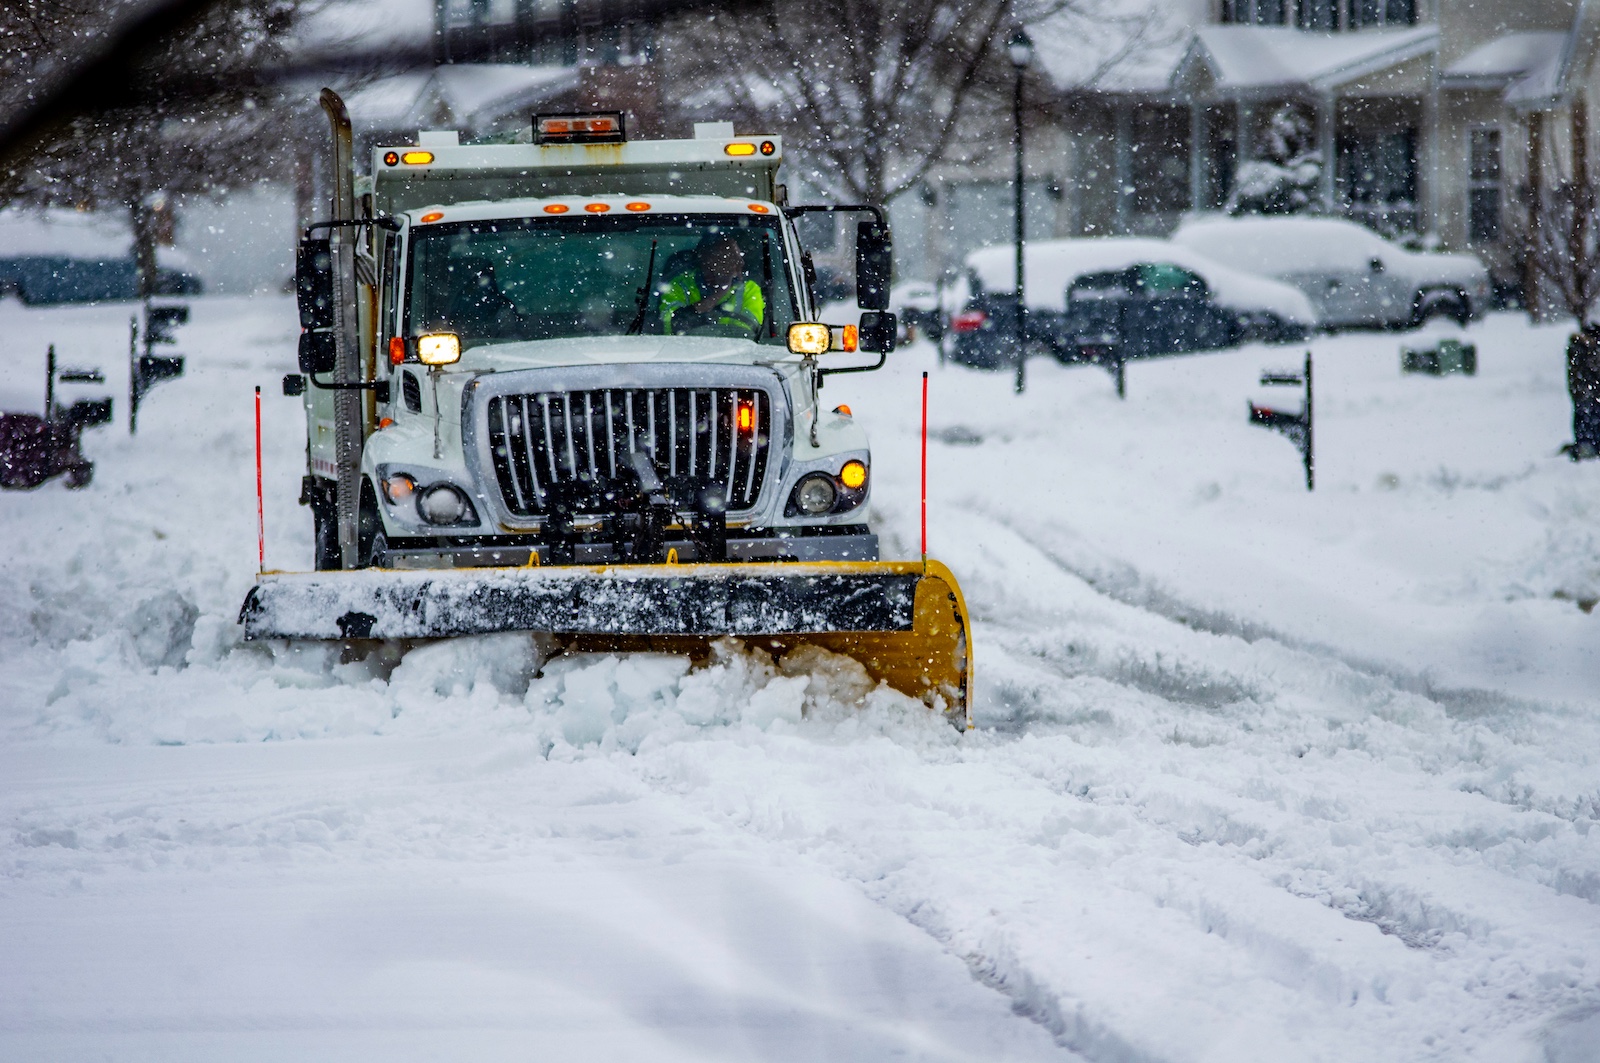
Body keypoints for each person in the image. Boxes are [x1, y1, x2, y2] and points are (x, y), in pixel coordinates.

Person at [659, 234, 765, 337]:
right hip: (679, 351)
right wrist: (718, 294)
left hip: (734, 352)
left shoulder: (749, 289)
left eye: (738, 258)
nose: (740, 263)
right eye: (730, 259)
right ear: (707, 262)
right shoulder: (679, 286)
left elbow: (747, 335)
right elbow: (671, 328)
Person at [1567, 321, 1600, 459]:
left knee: (1587, 419)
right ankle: (1586, 447)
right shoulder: (1582, 347)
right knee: (1587, 419)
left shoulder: (1581, 346)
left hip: (1587, 394)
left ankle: (1587, 446)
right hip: (1587, 395)